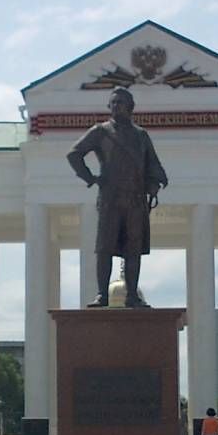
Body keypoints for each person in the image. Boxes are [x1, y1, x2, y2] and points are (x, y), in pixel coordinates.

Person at [67, 87, 169, 308]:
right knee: (104, 248)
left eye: (120, 102)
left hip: (135, 201)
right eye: (113, 103)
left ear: (130, 107)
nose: (115, 106)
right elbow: (74, 154)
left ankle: (132, 296)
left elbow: (154, 166)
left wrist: (153, 185)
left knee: (133, 250)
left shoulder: (141, 136)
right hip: (110, 200)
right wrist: (90, 178)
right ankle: (102, 295)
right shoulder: (101, 132)